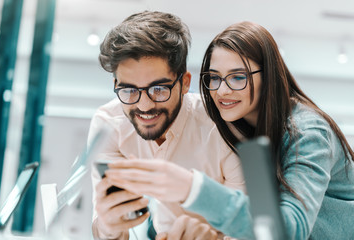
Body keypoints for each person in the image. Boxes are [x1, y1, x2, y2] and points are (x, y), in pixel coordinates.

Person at [106, 21, 354, 239]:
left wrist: (191, 187)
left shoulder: (309, 132)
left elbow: (289, 230)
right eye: (214, 78)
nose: (222, 91)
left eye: (237, 77)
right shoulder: (240, 128)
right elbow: (261, 223)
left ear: (268, 76)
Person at [89, 11, 245, 240]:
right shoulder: (109, 125)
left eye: (159, 89)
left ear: (184, 83)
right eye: (129, 90)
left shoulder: (224, 127)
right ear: (116, 84)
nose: (144, 105)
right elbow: (105, 227)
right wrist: (108, 227)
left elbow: (250, 227)